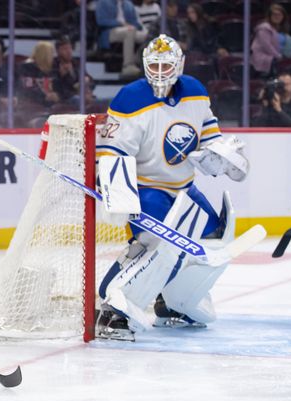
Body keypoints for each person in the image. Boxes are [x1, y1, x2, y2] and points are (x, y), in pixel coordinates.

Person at [94, 35, 249, 341]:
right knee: (156, 245)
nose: (161, 71)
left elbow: (208, 135)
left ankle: (171, 301)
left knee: (212, 237)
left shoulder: (195, 91)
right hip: (148, 190)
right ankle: (112, 306)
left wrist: (221, 156)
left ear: (181, 64)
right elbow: (112, 152)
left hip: (184, 190)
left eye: (167, 64)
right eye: (155, 64)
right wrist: (118, 194)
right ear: (144, 65)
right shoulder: (129, 98)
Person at [95, 0, 148, 78]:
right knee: (129, 31)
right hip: (110, 31)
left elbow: (136, 23)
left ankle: (141, 63)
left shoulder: (128, 4)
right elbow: (101, 21)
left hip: (129, 30)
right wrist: (121, 24)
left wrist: (134, 26)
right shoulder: (103, 2)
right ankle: (127, 66)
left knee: (146, 36)